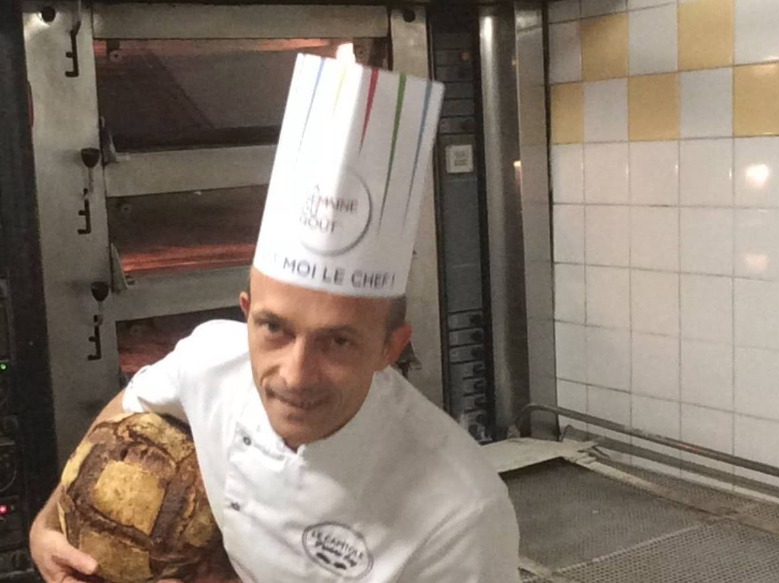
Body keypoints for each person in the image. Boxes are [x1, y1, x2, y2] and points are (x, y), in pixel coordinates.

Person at [29, 55, 521, 582]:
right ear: (246, 314)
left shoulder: (460, 517)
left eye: (337, 341)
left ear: (390, 348)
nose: (295, 375)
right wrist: (49, 522)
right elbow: (132, 403)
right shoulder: (211, 360)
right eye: (274, 328)